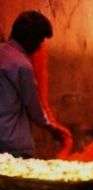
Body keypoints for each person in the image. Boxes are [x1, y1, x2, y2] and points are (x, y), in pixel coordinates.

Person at [0, 11, 63, 157]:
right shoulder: (22, 65)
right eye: (40, 40)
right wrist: (53, 129)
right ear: (31, 39)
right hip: (12, 143)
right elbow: (33, 107)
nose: (40, 46)